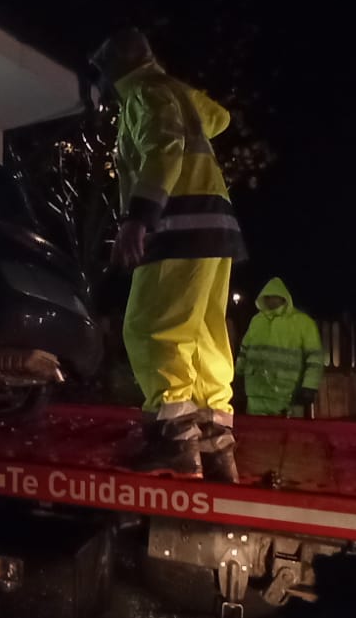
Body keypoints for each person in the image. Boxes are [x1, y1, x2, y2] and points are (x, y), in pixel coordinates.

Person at [91, 28, 246, 482]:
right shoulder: (173, 93)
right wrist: (176, 89)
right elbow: (219, 118)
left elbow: (164, 151)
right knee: (202, 332)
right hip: (215, 228)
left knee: (151, 327)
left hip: (177, 226)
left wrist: (138, 219)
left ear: (113, 70)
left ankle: (175, 442)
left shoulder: (143, 95)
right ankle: (216, 442)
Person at [237, 278, 324, 416]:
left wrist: (309, 387)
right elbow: (244, 351)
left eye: (273, 296)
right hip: (255, 396)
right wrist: (238, 377)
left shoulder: (303, 323)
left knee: (288, 436)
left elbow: (314, 358)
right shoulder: (256, 321)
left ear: (283, 297)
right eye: (267, 296)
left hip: (288, 399)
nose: (270, 299)